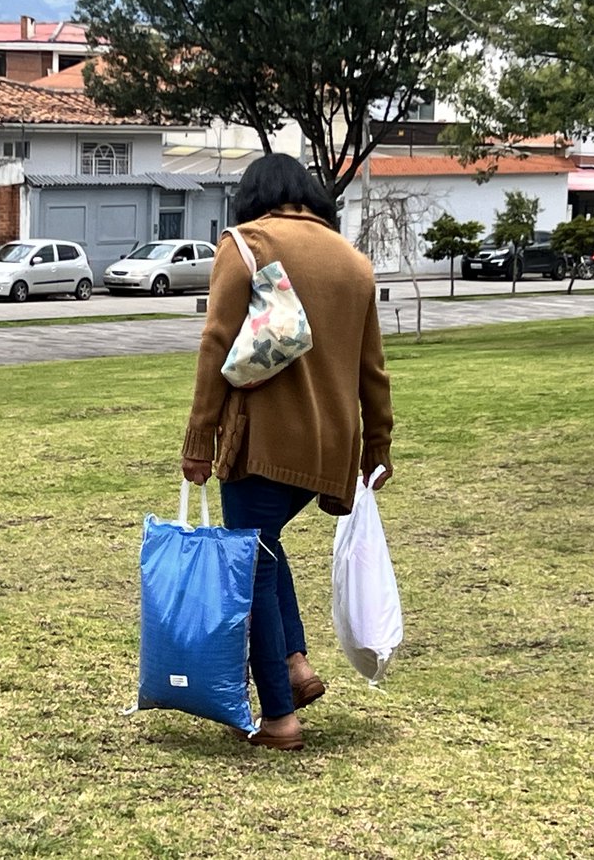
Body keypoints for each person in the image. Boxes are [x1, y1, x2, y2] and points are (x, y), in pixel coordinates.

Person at [181, 153, 394, 751]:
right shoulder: (354, 262)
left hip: (263, 442)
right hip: (333, 447)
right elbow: (372, 370)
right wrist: (376, 447)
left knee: (250, 568)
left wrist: (200, 440)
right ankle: (296, 663)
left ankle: (279, 717)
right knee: (265, 549)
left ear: (253, 196)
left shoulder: (245, 244)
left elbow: (216, 343)